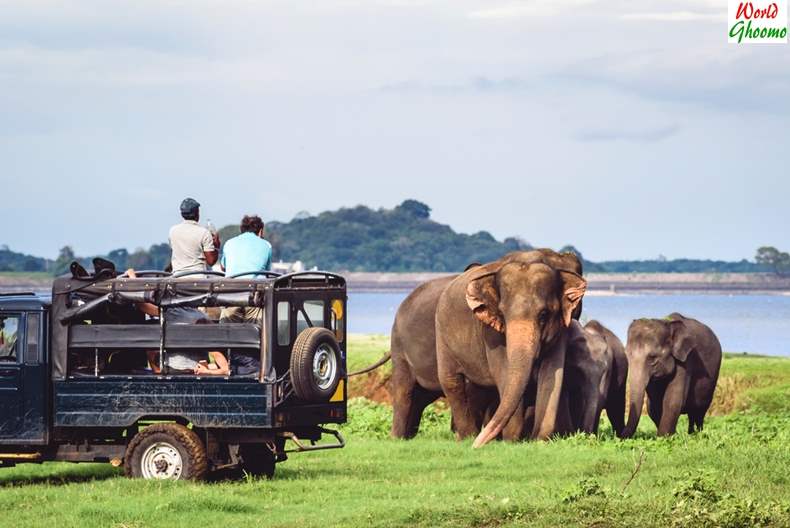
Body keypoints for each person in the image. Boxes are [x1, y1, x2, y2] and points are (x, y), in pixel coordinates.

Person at [219, 215, 272, 323]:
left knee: (227, 332)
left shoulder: (229, 243)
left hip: (231, 294)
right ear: (260, 231)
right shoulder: (266, 245)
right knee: (257, 332)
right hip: (254, 295)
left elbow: (223, 267)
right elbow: (266, 272)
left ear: (242, 230)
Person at [168, 197, 220, 275]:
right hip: (198, 278)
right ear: (197, 213)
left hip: (177, 277)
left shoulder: (172, 231)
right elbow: (211, 261)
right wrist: (216, 247)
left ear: (182, 214)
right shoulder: (204, 232)